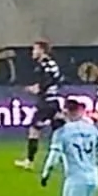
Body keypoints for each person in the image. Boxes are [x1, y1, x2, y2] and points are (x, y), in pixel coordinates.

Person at [16, 41, 62, 169]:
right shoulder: (50, 64)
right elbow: (56, 79)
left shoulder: (46, 64)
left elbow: (48, 80)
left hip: (47, 102)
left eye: (35, 49)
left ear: (42, 50)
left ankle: (29, 161)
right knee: (59, 130)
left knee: (34, 129)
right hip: (53, 100)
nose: (33, 52)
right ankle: (65, 157)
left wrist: (38, 89)